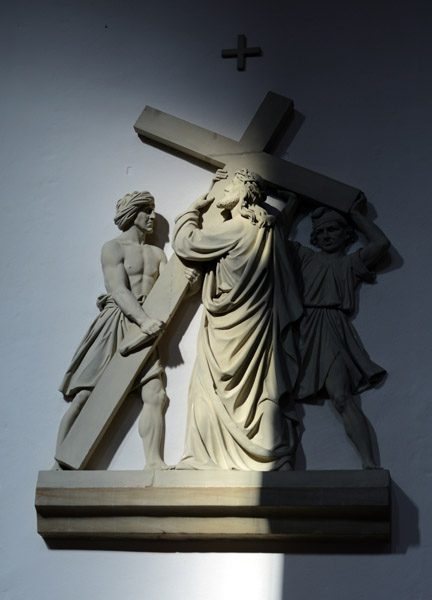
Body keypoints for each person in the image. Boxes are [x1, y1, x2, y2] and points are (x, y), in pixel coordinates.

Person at [172, 169, 303, 471]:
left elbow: (187, 244)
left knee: (208, 386)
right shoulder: (268, 230)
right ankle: (272, 454)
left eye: (229, 187)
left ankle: (203, 457)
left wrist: (192, 211)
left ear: (243, 191)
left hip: (227, 327)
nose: (224, 192)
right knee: (263, 386)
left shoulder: (235, 229)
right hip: (258, 324)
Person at [55, 191, 170, 469]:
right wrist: (143, 320)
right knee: (85, 395)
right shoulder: (113, 248)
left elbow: (170, 290)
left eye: (152, 210)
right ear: (132, 214)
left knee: (155, 393)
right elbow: (118, 290)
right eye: (146, 210)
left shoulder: (157, 254)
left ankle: (154, 461)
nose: (152, 216)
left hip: (147, 328)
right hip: (116, 323)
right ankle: (59, 464)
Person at [281, 192, 390, 469]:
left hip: (331, 327)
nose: (327, 235)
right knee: (281, 395)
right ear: (314, 239)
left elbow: (380, 243)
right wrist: (293, 205)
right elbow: (275, 239)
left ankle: (368, 462)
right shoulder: (304, 257)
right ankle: (280, 463)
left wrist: (355, 214)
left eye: (333, 229)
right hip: (300, 328)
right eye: (321, 232)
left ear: (346, 235)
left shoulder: (350, 263)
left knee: (341, 397)